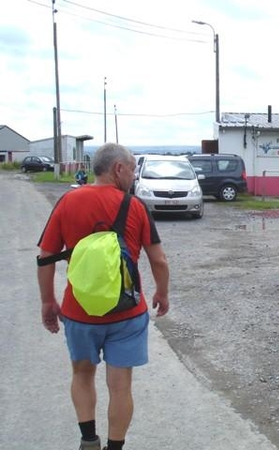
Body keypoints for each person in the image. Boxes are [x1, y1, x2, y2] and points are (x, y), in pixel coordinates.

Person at [37, 143, 170, 450]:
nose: (134, 175)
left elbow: (45, 258)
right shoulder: (135, 206)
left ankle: (88, 439)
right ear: (118, 169)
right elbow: (159, 261)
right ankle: (114, 447)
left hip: (80, 312)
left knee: (82, 374)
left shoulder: (67, 202)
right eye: (133, 168)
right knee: (120, 385)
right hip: (127, 313)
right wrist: (162, 293)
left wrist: (48, 301)